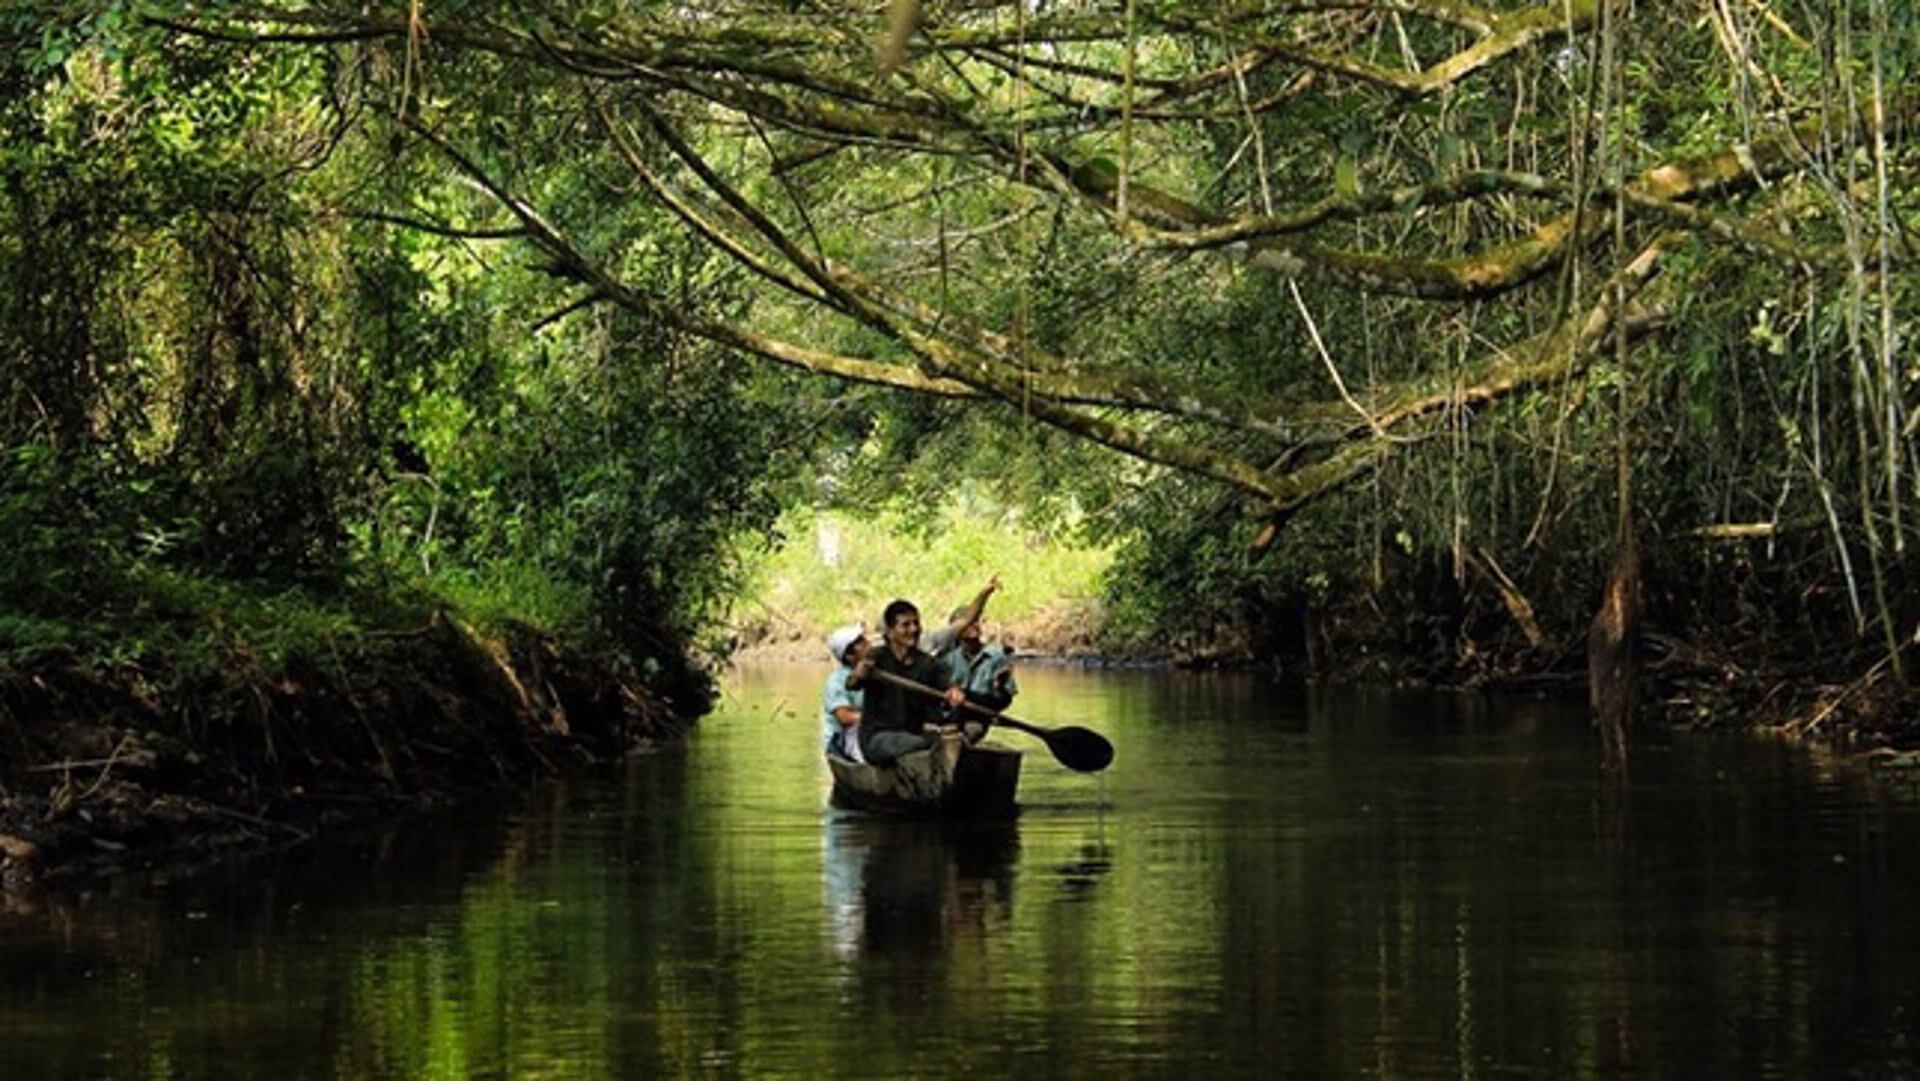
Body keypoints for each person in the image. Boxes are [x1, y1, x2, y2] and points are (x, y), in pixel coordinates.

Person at [821, 623, 868, 762]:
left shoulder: (873, 674)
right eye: (860, 642)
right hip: (844, 738)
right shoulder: (836, 681)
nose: (867, 643)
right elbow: (845, 717)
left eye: (863, 638)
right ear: (849, 655)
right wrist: (875, 719)